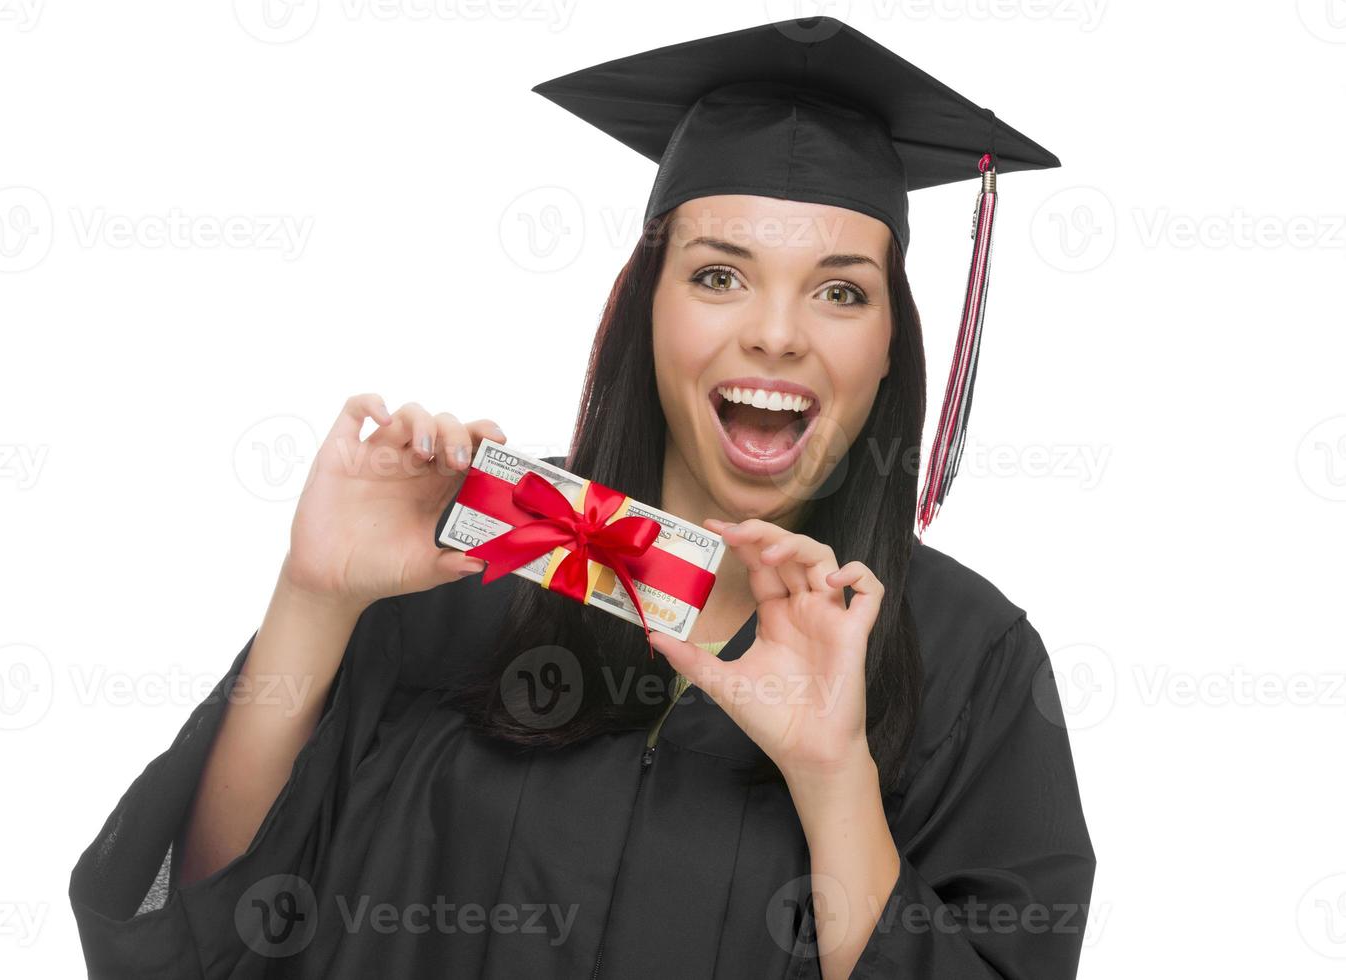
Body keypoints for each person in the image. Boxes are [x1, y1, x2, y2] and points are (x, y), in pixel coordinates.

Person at [70, 17, 1096, 979]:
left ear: (890, 348)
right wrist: (314, 599)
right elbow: (211, 934)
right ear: (645, 308)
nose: (778, 334)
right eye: (719, 275)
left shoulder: (970, 662)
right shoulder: (477, 553)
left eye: (840, 290)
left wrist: (835, 779)